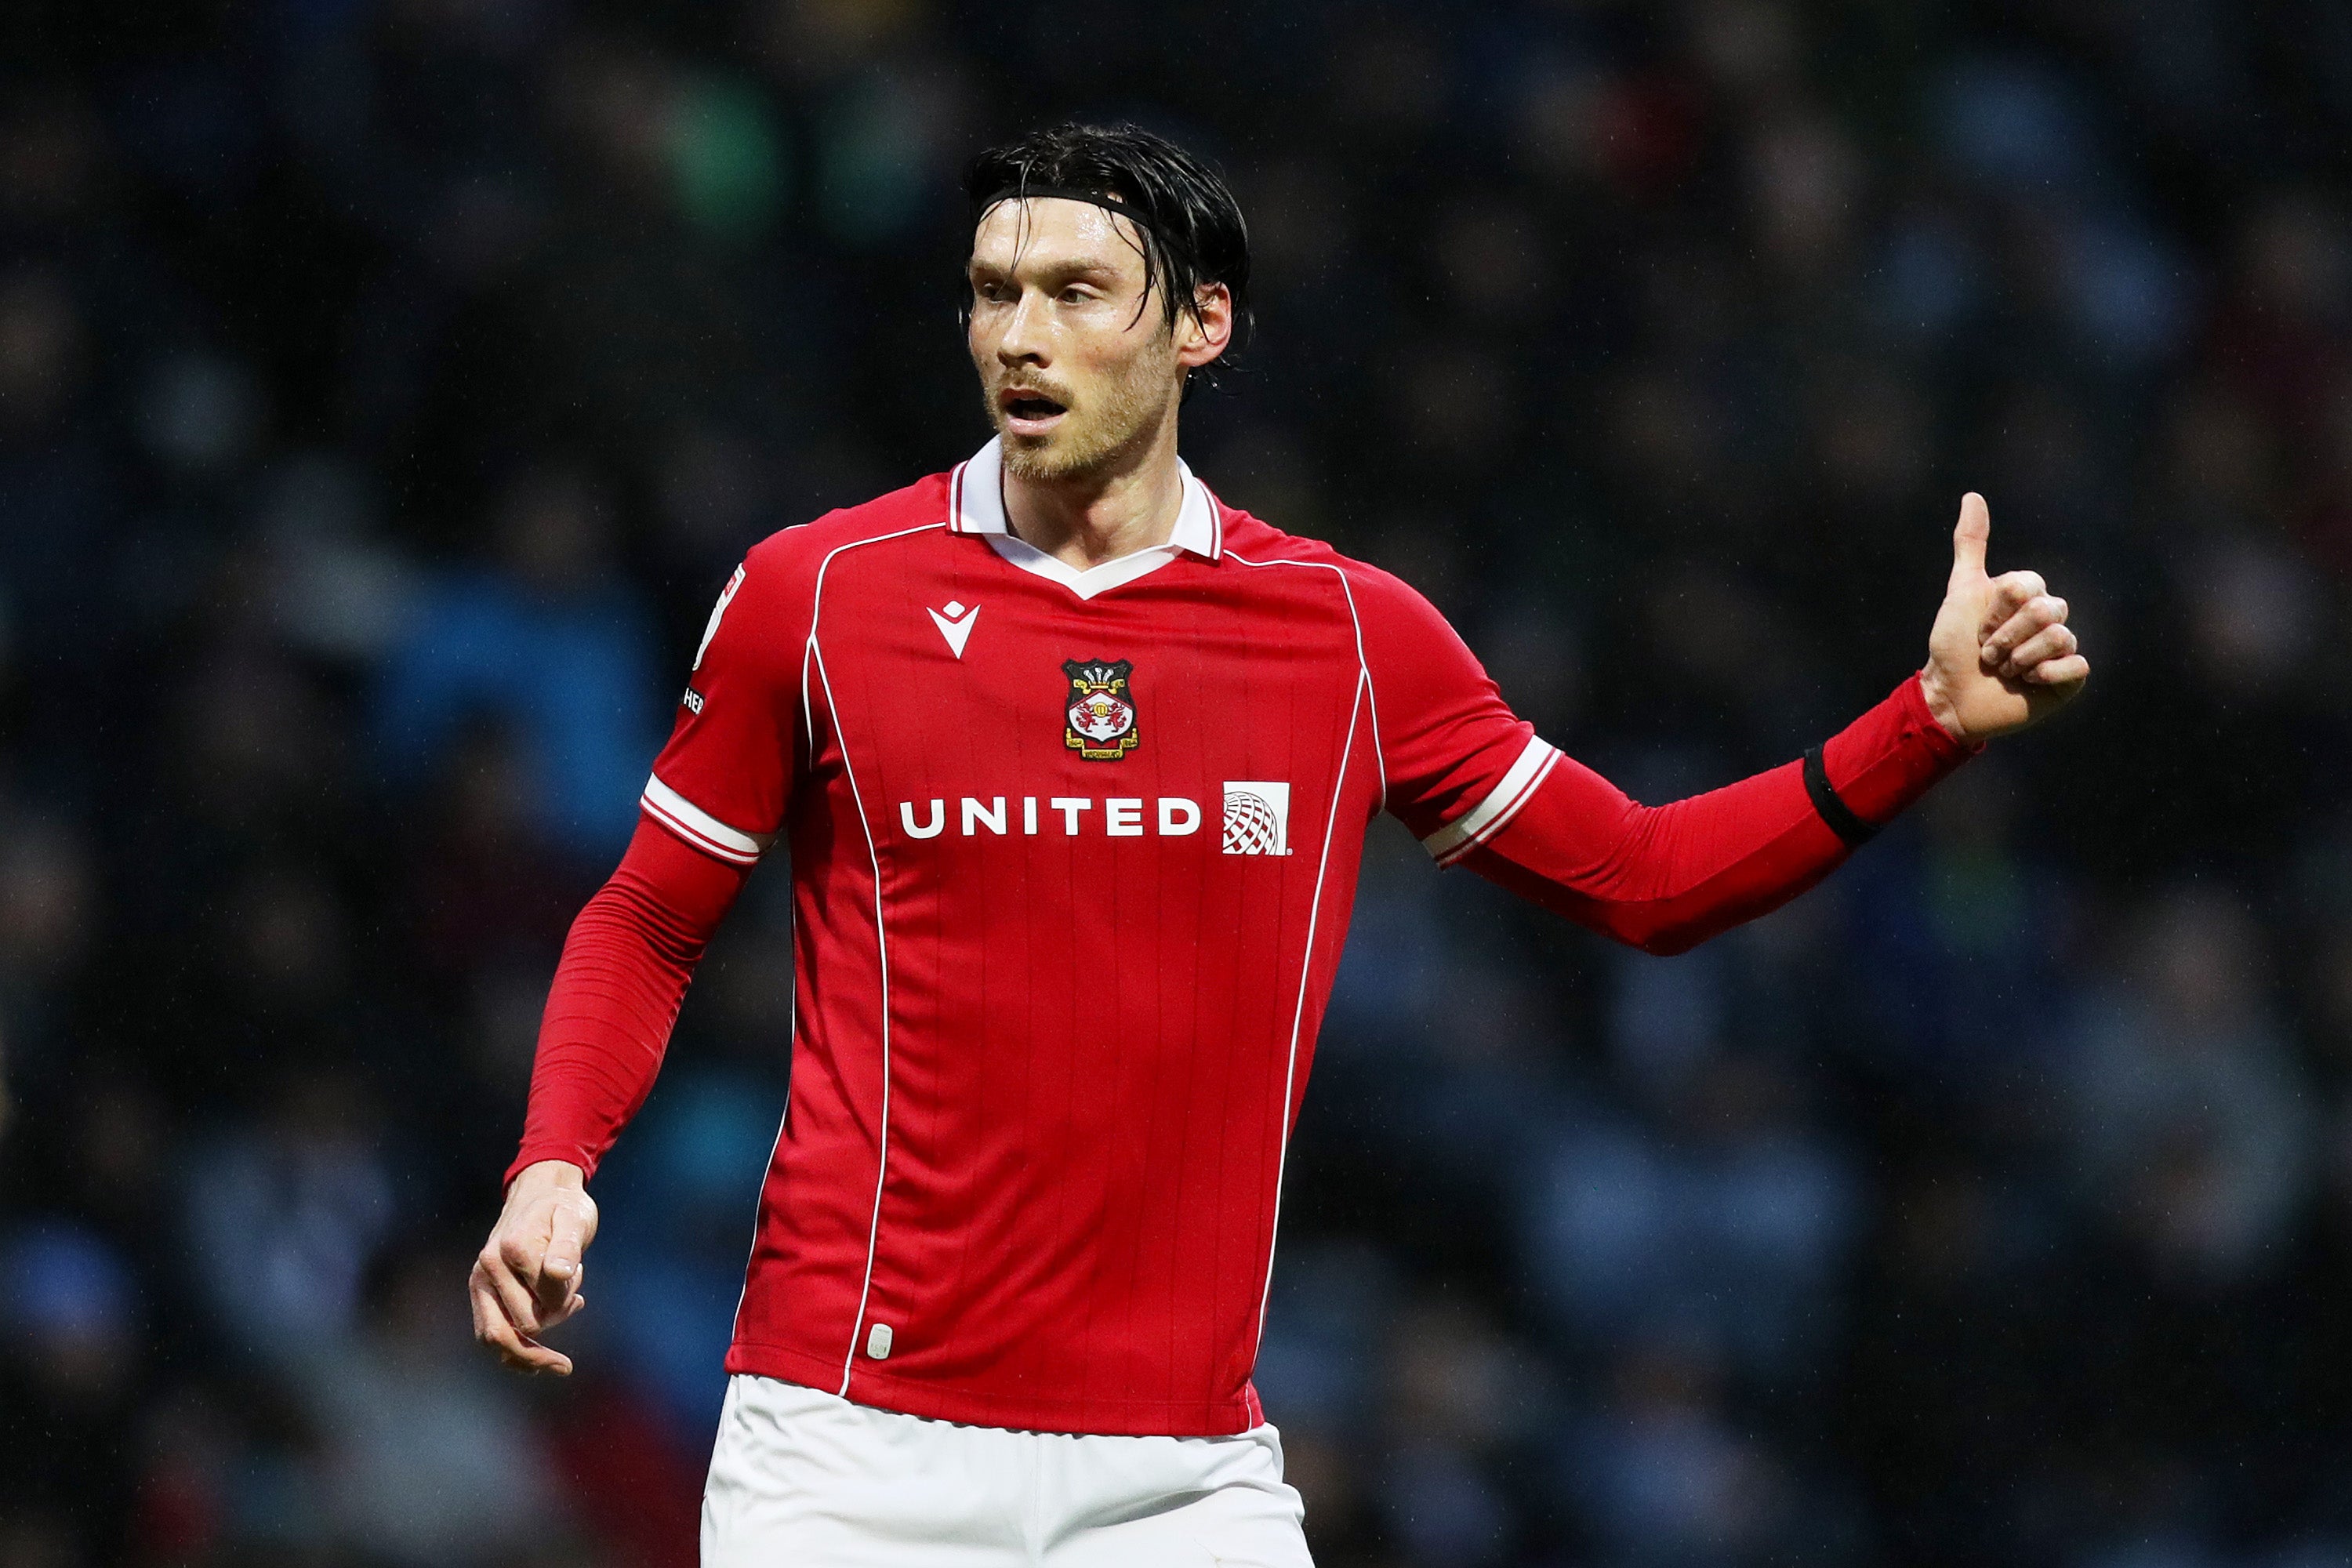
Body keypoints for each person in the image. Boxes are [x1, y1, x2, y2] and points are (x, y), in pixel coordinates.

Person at [469, 122, 2087, 1565]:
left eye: (1078, 292)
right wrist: (555, 1161)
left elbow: (1650, 879)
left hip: (1182, 1477)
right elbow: (652, 912)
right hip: (850, 1444)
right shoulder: (818, 595)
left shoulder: (1346, 636)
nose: (1020, 337)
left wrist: (1922, 727)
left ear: (1200, 325)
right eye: (992, 292)